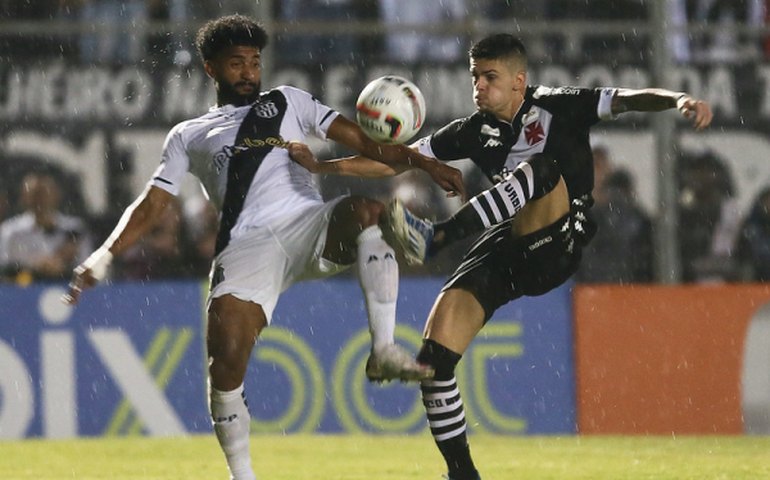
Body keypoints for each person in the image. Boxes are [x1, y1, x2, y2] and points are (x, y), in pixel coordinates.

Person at [291, 34, 713, 479]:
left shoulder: (558, 104)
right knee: (434, 362)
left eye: (490, 78)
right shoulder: (474, 131)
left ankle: (437, 238)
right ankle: (462, 473)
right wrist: (323, 166)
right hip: (507, 244)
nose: (479, 87)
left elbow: (626, 98)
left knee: (542, 169)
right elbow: (399, 160)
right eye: (475, 77)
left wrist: (678, 99)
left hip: (559, 241)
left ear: (518, 81)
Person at [62, 14, 465, 480]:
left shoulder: (288, 101)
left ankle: (384, 349)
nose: (249, 73)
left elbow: (368, 145)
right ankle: (243, 475)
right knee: (226, 363)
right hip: (246, 249)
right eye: (237, 64)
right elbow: (152, 205)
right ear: (211, 69)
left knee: (368, 213)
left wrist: (424, 163)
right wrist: (102, 255)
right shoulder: (189, 135)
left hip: (305, 225)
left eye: (254, 62)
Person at [0, 170, 92, 284]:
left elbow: (88, 270)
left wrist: (62, 268)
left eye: (44, 193)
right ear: (24, 197)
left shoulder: (74, 229)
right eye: (34, 194)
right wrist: (34, 267)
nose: (39, 200)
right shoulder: (10, 231)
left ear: (56, 195)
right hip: (23, 293)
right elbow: (3, 271)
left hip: (65, 289)